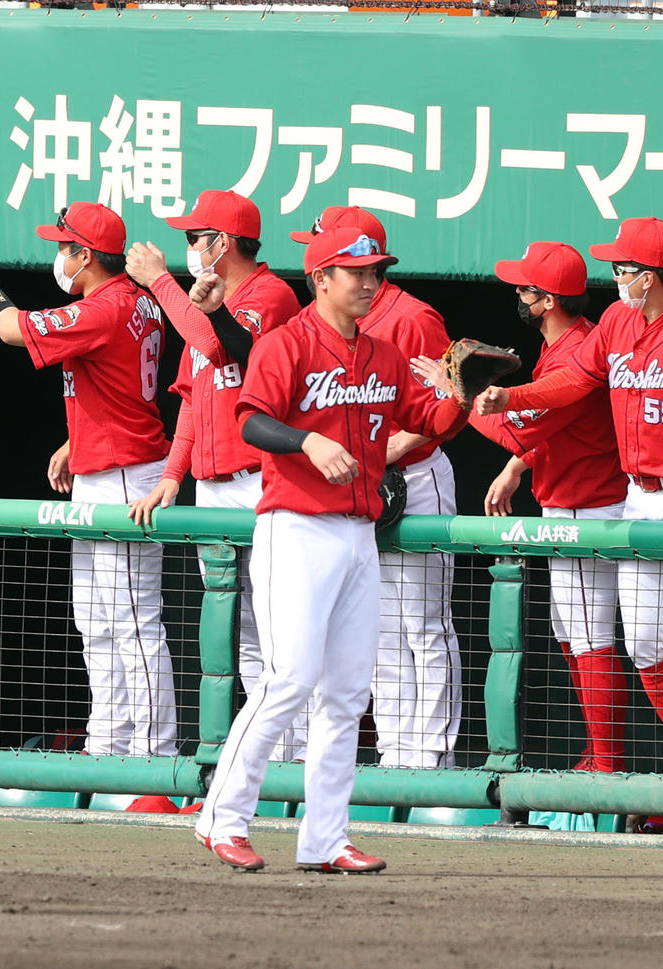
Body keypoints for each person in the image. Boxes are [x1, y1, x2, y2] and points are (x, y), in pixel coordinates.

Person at [194, 226, 469, 873]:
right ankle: (221, 817)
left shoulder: (381, 353)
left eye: (376, 271)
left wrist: (461, 392)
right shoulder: (285, 343)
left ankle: (325, 838)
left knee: (346, 692)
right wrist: (305, 442)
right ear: (320, 278)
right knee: (287, 679)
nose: (369, 282)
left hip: (359, 533)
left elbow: (428, 421)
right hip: (296, 526)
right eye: (356, 272)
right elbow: (250, 417)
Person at [477, 217, 663, 775]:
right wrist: (512, 396)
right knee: (645, 644)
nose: (615, 276)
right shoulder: (620, 320)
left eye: (623, 268)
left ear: (651, 275)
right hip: (639, 497)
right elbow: (575, 380)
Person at [0, 201, 176, 757]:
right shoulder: (136, 302)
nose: (57, 256)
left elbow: (10, 329)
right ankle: (109, 743)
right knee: (95, 618)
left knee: (129, 620)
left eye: (64, 246)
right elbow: (120, 385)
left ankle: (153, 754)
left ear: (86, 255)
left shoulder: (104, 307)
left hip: (127, 476)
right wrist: (79, 439)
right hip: (108, 463)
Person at [125, 190, 305, 761]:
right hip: (212, 487)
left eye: (194, 237)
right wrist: (171, 477)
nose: (187, 249)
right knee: (244, 634)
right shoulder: (206, 298)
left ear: (222, 243)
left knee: (281, 632)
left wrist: (161, 284)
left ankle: (297, 759)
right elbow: (192, 399)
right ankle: (270, 760)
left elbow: (217, 344)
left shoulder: (270, 295)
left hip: (263, 481)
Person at [291, 205, 463, 770]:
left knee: (424, 624)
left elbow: (443, 409)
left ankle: (432, 758)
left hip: (416, 478)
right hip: (361, 491)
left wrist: (387, 448)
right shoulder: (324, 321)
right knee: (381, 630)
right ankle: (395, 755)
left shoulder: (413, 318)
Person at [467, 241, 629, 773]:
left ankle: (607, 760)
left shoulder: (576, 350)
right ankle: (597, 753)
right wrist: (519, 468)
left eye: (527, 288)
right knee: (573, 635)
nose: (518, 292)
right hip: (570, 500)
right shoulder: (563, 343)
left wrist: (457, 396)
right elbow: (544, 437)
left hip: (590, 506)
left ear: (550, 299)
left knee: (591, 639)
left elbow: (519, 429)